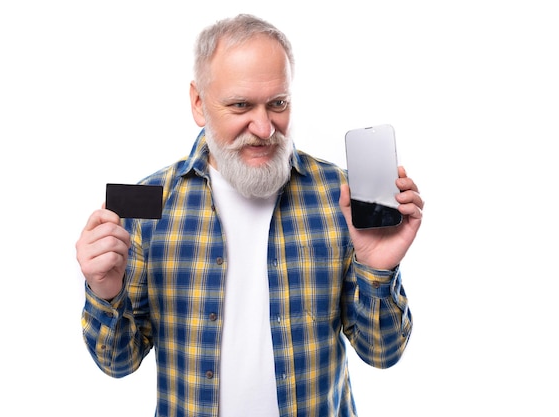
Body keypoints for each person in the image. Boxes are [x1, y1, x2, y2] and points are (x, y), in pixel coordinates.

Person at [76, 13, 423, 417]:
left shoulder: (340, 196)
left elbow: (383, 353)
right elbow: (118, 363)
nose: (264, 128)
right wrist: (104, 291)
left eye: (278, 104)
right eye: (241, 105)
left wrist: (379, 270)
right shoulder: (149, 204)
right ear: (199, 103)